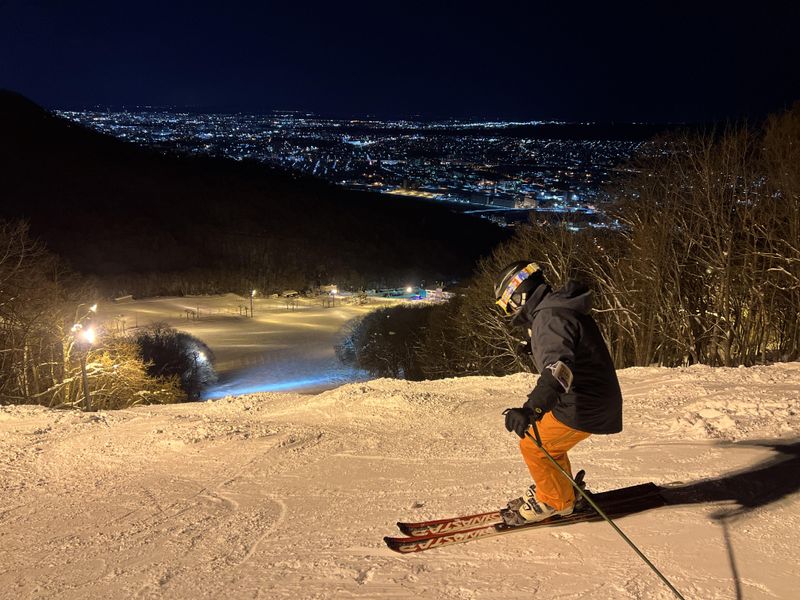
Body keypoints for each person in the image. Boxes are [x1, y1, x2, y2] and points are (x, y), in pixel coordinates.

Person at [495, 260, 623, 524]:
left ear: (519, 295)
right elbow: (571, 348)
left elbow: (558, 369)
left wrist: (531, 409)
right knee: (549, 444)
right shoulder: (556, 309)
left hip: (583, 404)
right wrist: (536, 345)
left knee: (533, 444)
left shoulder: (549, 318)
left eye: (506, 304)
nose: (508, 312)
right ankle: (560, 492)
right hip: (594, 398)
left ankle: (556, 501)